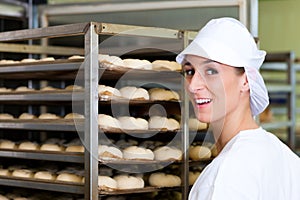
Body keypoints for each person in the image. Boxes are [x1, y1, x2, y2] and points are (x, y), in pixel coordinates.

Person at [176, 17, 300, 200]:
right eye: (189, 71)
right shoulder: (284, 157)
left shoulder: (224, 177)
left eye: (211, 71)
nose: (193, 86)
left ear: (246, 80)